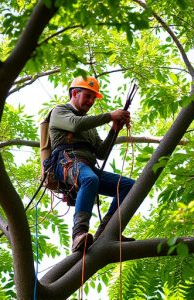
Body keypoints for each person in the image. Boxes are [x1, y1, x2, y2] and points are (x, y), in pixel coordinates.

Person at [49, 76, 135, 252]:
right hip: (66, 161)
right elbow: (74, 125)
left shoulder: (89, 127)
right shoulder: (60, 111)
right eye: (87, 96)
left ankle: (107, 230)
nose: (90, 102)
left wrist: (114, 130)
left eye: (93, 99)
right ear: (74, 93)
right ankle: (78, 234)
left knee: (129, 186)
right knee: (90, 179)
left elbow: (101, 153)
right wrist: (110, 116)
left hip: (87, 166)